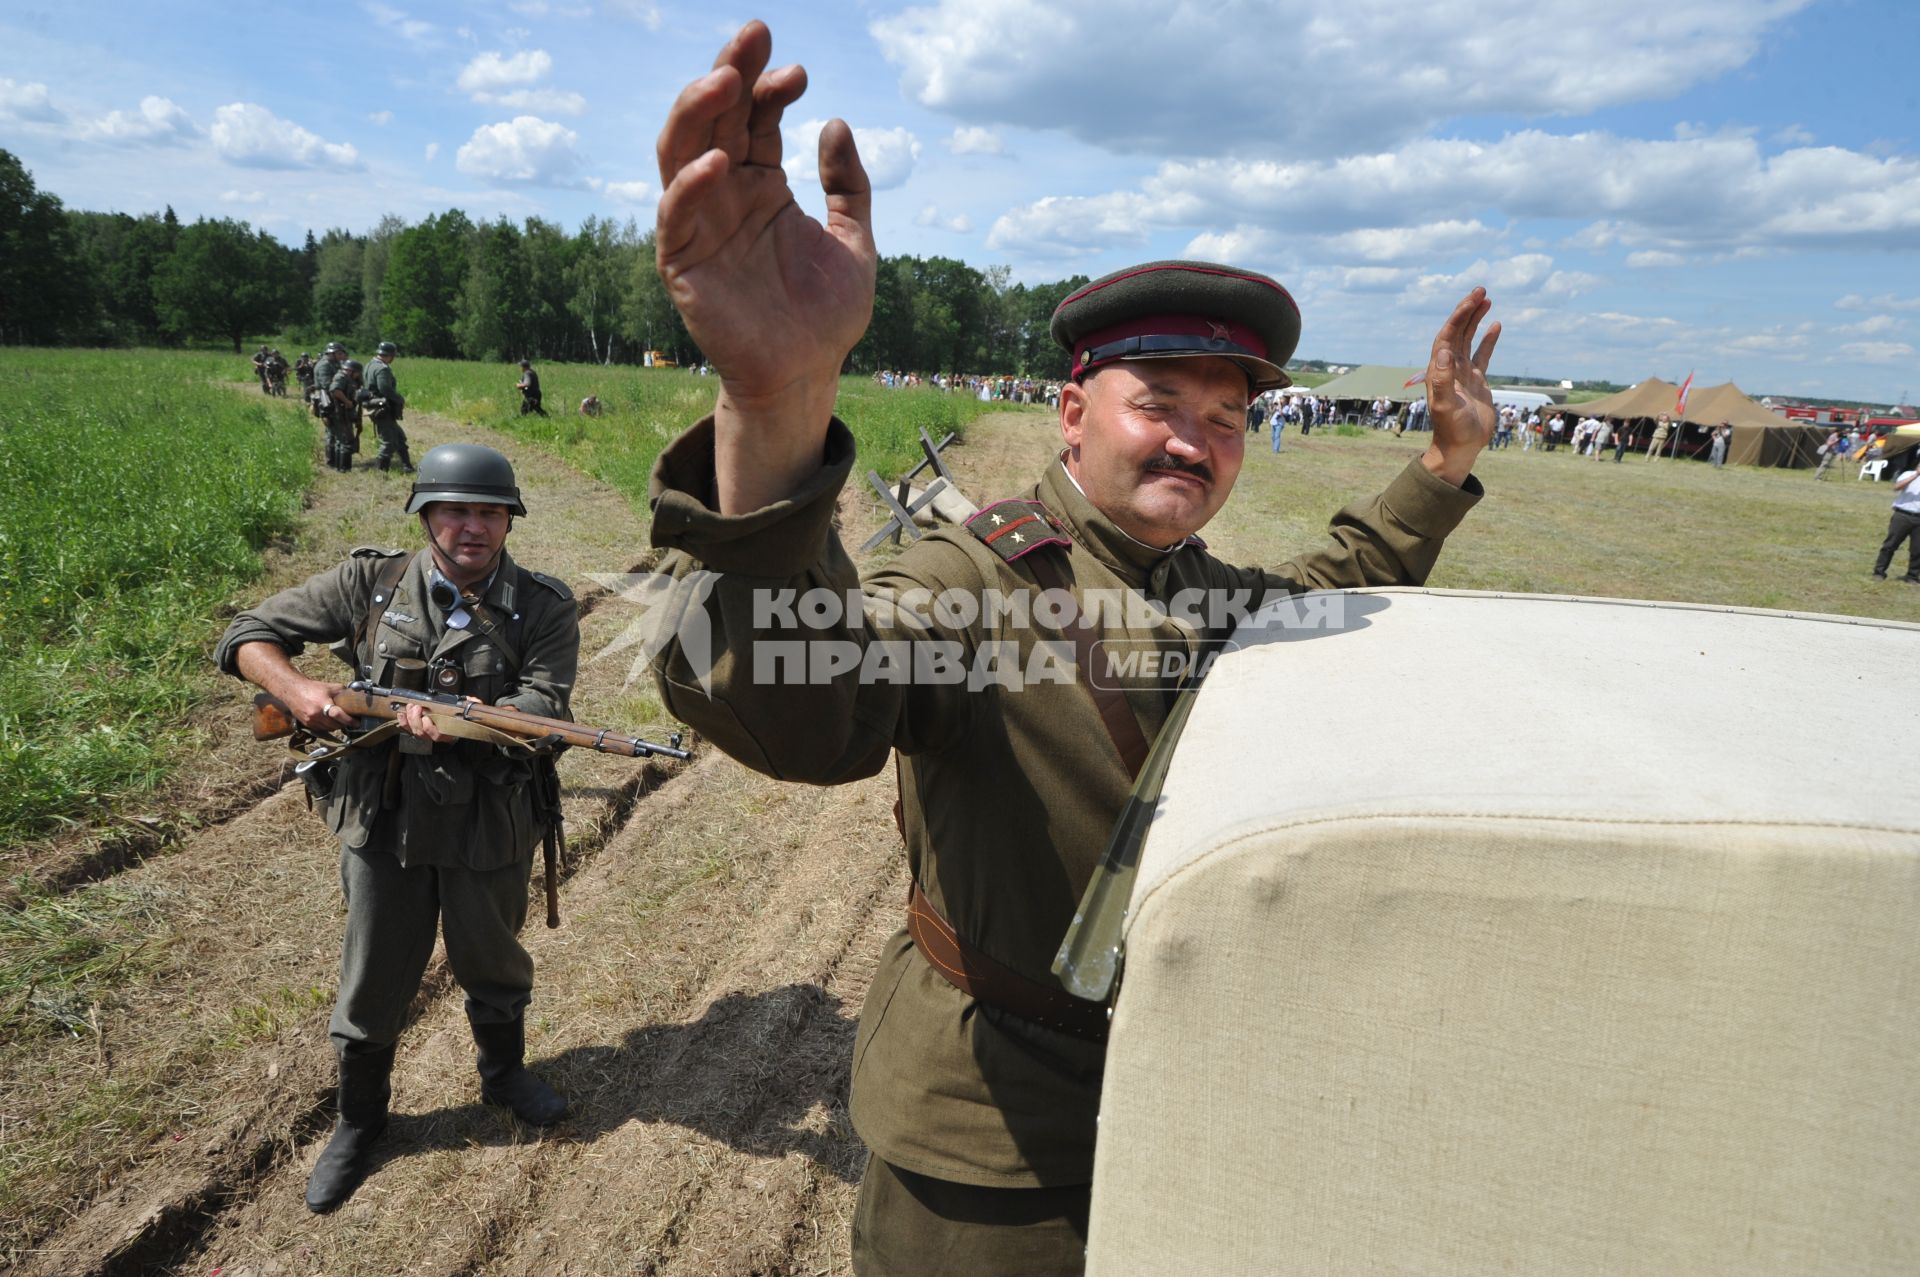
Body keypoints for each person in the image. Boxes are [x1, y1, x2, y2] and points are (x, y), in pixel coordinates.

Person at [643, 23, 1499, 1275]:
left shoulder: (1198, 594)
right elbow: (806, 694)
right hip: (987, 1153)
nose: (1193, 442)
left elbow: (1332, 590)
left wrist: (1442, 464)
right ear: (1072, 411)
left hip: (1177, 1105)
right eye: (1158, 402)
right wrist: (773, 409)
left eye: (1225, 417)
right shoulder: (970, 578)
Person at [214, 444, 580, 1212]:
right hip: (387, 820)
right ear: (425, 513)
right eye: (455, 510)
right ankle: (359, 1122)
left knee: (496, 960)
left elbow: (546, 706)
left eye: (489, 511)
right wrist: (301, 690)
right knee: (373, 974)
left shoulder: (544, 605)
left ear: (510, 518)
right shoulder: (369, 584)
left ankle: (504, 1076)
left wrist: (469, 724)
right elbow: (248, 635)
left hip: (489, 822)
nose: (473, 526)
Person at [364, 340, 414, 473]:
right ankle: (381, 470)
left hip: (376, 406)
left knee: (399, 437)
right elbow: (385, 388)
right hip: (383, 408)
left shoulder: (369, 365)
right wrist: (399, 399)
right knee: (388, 441)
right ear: (390, 355)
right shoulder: (382, 368)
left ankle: (407, 466)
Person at [1871, 465, 1920, 582]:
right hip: (1903, 515)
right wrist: (1916, 475)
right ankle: (1879, 572)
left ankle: (1912, 576)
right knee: (1890, 545)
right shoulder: (1908, 474)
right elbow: (1897, 487)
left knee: (1917, 550)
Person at [326, 357, 364, 473]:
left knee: (340, 441)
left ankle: (339, 466)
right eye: (357, 373)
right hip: (340, 414)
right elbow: (335, 390)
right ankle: (344, 468)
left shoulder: (347, 378)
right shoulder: (341, 377)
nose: (358, 375)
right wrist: (347, 402)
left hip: (343, 413)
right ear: (351, 371)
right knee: (346, 441)